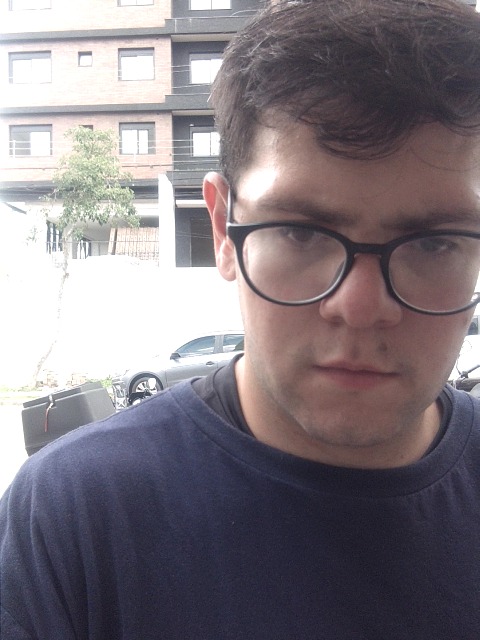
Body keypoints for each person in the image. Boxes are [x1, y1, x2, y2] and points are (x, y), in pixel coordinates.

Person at [2, 0, 480, 637]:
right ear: (223, 230)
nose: (361, 309)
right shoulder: (72, 517)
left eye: (434, 243)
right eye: (301, 233)